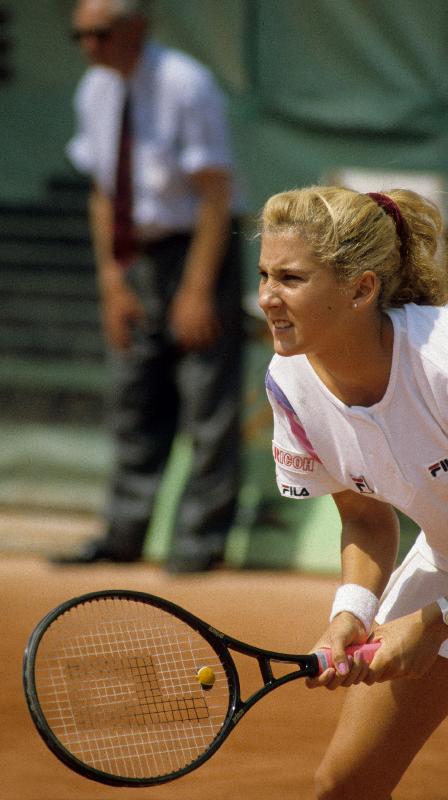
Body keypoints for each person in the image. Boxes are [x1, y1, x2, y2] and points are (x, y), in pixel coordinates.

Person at [257, 185, 448, 799]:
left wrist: (440, 621)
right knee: (344, 787)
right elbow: (365, 517)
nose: (267, 296)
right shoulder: (289, 381)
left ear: (361, 289)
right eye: (264, 274)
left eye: (291, 278)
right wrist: (351, 613)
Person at [55, 0, 243, 571]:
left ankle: (198, 544)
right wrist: (113, 282)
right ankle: (122, 535)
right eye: (79, 35)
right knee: (133, 396)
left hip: (196, 250)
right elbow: (102, 193)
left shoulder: (187, 84)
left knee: (206, 398)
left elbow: (215, 193)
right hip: (133, 253)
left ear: (138, 28)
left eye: (101, 33)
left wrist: (196, 290)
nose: (89, 45)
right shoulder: (93, 90)